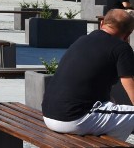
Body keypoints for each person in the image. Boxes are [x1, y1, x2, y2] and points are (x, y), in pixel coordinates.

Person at [42, 8, 134, 140]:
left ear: (102, 23)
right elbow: (129, 84)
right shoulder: (121, 48)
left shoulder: (82, 40)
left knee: (112, 107)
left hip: (49, 115)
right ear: (128, 34)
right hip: (73, 119)